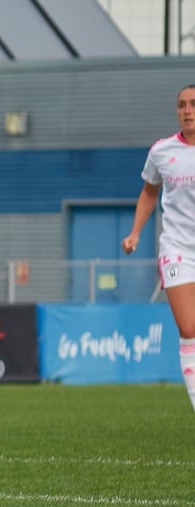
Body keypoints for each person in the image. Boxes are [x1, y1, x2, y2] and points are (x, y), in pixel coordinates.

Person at [123, 84, 195, 414]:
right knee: (189, 328)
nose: (187, 110)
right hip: (177, 248)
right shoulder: (162, 151)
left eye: (193, 104)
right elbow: (150, 193)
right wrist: (136, 232)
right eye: (181, 105)